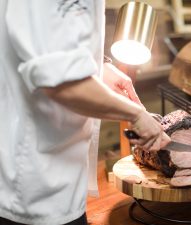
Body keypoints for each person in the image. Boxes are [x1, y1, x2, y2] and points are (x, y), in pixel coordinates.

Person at [0, 1, 170, 224]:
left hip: (62, 176)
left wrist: (101, 67)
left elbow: (55, 42)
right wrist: (136, 114)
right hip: (34, 188)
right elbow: (62, 82)